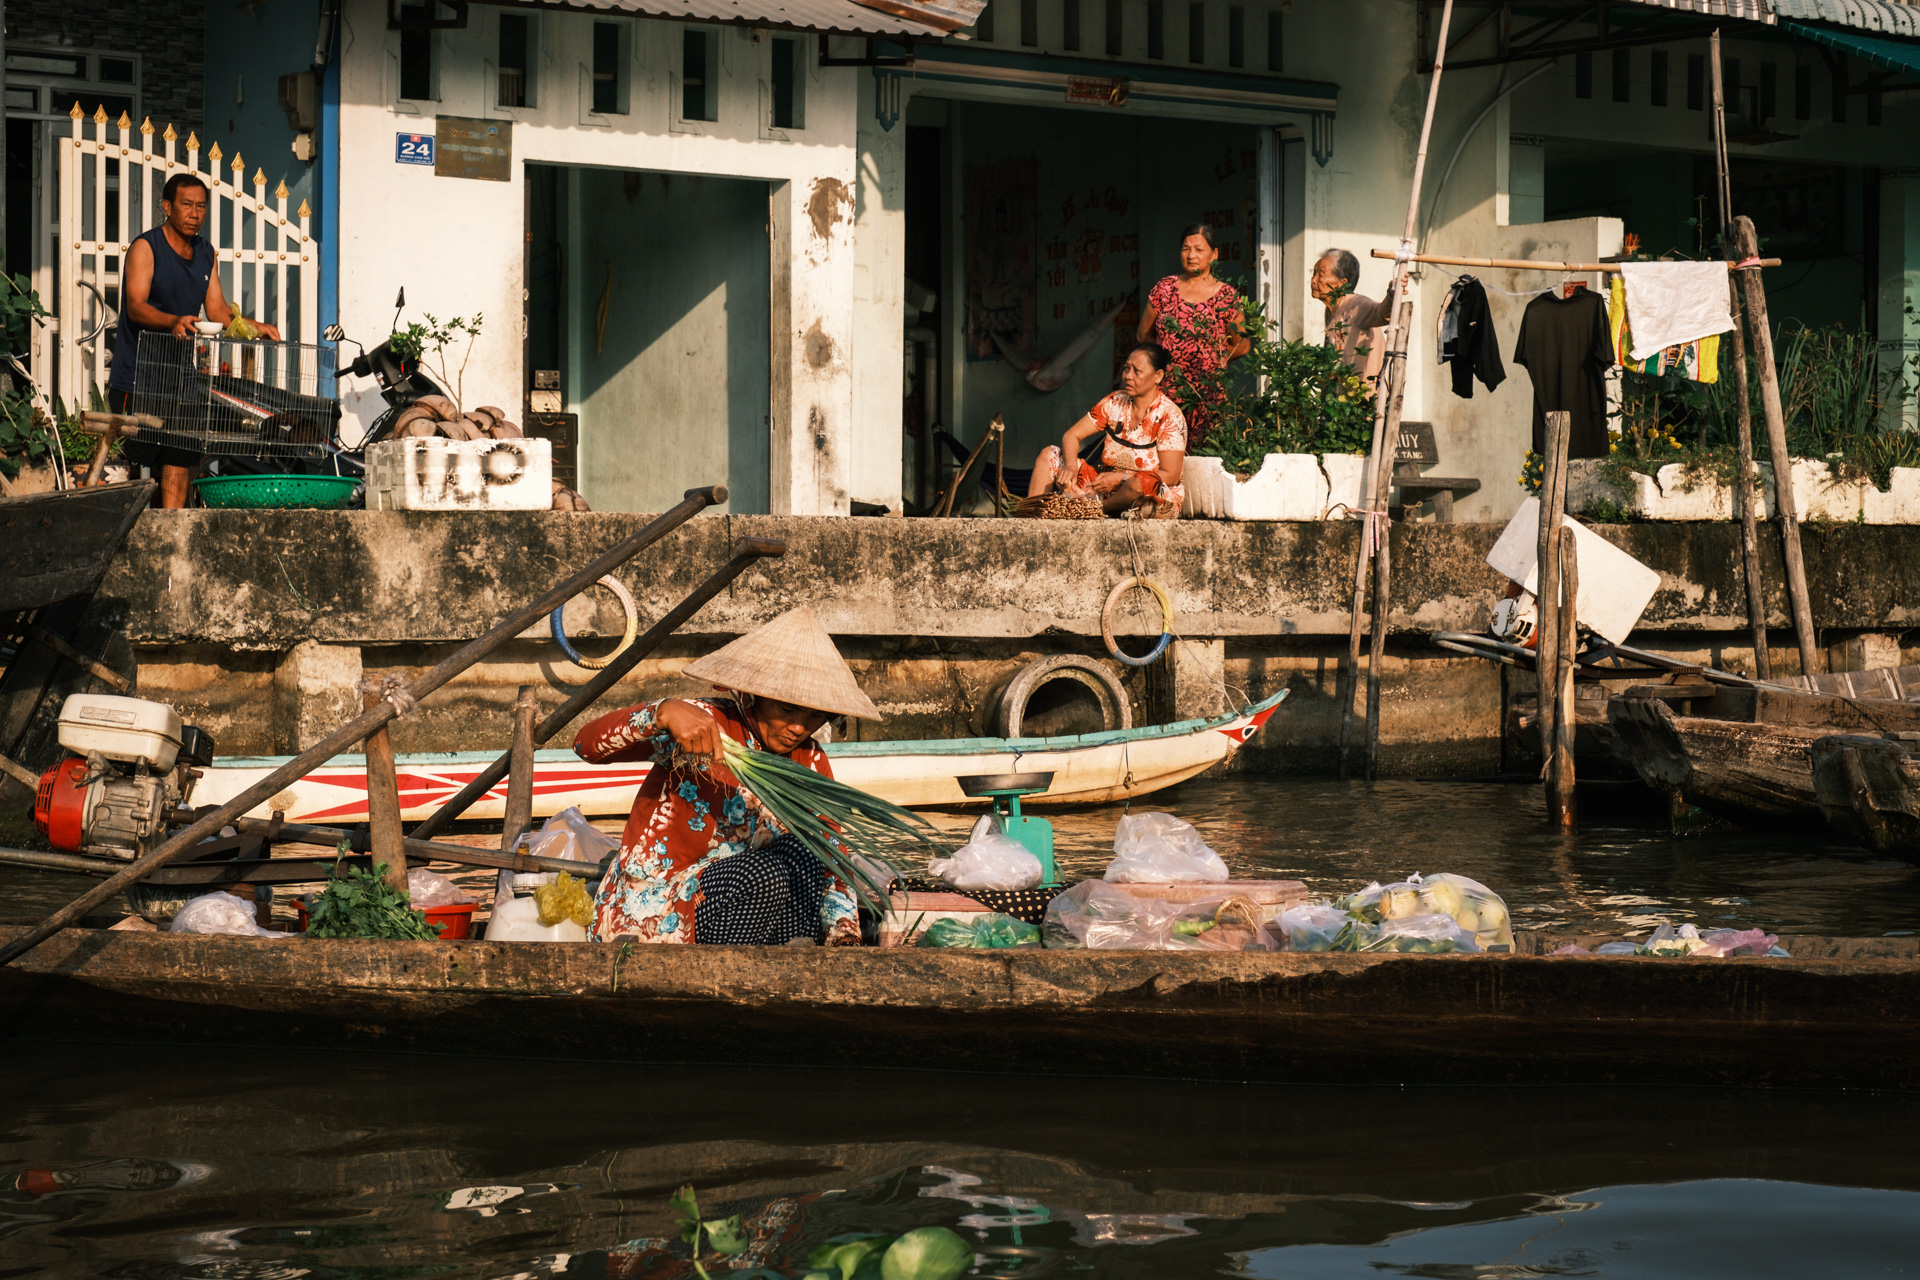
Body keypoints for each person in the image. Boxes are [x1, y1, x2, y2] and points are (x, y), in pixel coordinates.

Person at [573, 606, 882, 947]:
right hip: (659, 910)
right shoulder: (702, 724)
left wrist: (844, 930)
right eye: (787, 709)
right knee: (765, 874)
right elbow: (586, 745)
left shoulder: (809, 759)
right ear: (755, 697)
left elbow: (830, 852)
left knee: (807, 852)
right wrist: (662, 712)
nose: (798, 728)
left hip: (746, 913)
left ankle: (788, 958)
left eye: (814, 716)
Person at [109, 172, 281, 508]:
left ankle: (172, 527)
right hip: (137, 376)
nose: (194, 213)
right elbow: (136, 307)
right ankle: (127, 529)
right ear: (167, 207)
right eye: (186, 205)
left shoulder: (205, 252)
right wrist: (173, 320)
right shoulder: (146, 247)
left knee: (180, 454)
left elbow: (217, 309)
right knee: (135, 458)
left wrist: (252, 326)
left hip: (181, 378)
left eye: (201, 206)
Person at [1025, 342, 1186, 519]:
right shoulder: (1115, 401)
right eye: (1126, 369)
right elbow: (1072, 435)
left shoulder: (1170, 415)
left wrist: (1120, 478)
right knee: (1049, 455)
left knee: (1141, 483)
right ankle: (1032, 522)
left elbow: (1170, 475)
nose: (1127, 376)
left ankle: (1100, 509)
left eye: (1136, 371)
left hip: (1149, 497)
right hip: (1106, 489)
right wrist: (1070, 467)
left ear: (1158, 376)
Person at [1136, 223, 1248, 450]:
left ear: (1214, 254)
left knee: (1203, 455)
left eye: (1199, 249)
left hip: (1207, 394)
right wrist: (1169, 358)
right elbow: (1143, 335)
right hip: (1165, 391)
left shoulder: (1226, 296)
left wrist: (1211, 361)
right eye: (1186, 249)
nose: (1191, 255)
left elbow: (1242, 346)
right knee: (1159, 453)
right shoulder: (1164, 289)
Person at [1311, 247, 1392, 383]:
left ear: (1342, 283)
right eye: (1314, 273)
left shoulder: (1357, 304)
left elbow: (1381, 313)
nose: (1313, 280)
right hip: (1339, 399)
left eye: (1321, 275)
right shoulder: (1332, 309)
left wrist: (1392, 295)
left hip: (1361, 398)